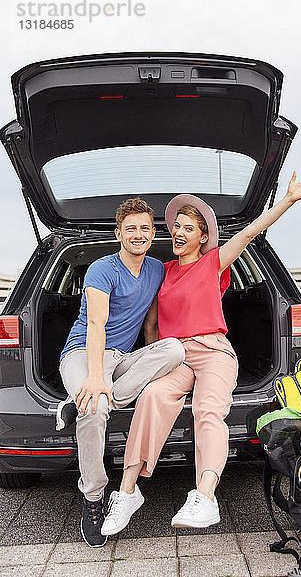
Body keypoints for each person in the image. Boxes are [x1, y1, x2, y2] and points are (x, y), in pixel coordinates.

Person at [101, 171, 301, 535]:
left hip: (213, 351)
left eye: (189, 228)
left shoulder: (213, 263)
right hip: (174, 355)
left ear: (203, 237)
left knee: (208, 410)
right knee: (153, 398)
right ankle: (127, 492)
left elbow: (250, 232)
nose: (178, 232)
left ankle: (205, 496)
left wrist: (288, 199)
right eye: (176, 226)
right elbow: (151, 326)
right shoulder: (163, 271)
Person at [56, 197, 185, 547]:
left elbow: (151, 324)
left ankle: (82, 401)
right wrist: (96, 378)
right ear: (119, 233)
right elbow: (96, 324)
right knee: (94, 408)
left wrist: (152, 360)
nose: (138, 234)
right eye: (131, 229)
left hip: (123, 358)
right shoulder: (102, 269)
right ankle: (94, 498)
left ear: (153, 232)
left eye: (144, 228)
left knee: (174, 349)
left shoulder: (157, 269)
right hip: (83, 354)